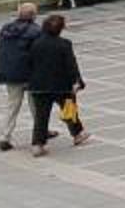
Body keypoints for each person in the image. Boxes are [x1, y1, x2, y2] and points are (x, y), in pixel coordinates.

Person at [23, 13, 87, 155]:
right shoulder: (64, 44)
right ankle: (77, 134)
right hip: (61, 85)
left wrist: (28, 81)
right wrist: (77, 81)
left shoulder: (34, 44)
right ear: (60, 29)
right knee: (69, 110)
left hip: (39, 86)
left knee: (41, 116)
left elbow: (28, 63)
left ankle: (38, 145)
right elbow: (71, 65)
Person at [0, 3, 42, 150]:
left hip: (10, 73)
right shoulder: (36, 31)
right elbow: (39, 53)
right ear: (33, 15)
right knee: (36, 105)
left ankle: (4, 136)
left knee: (12, 105)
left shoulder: (6, 29)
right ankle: (40, 132)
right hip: (30, 73)